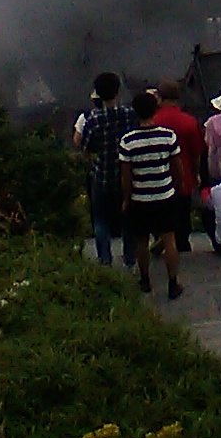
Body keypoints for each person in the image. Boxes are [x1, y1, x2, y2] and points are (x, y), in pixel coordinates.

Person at [118, 86, 185, 301]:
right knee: (169, 239)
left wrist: (127, 199)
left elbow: (126, 176)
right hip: (165, 195)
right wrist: (174, 186)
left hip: (140, 198)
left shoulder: (128, 141)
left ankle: (145, 280)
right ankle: (173, 284)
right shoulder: (168, 136)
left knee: (141, 241)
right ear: (155, 109)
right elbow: (178, 168)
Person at [71, 71, 132, 269]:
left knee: (100, 219)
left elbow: (85, 147)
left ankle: (105, 260)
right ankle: (130, 258)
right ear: (118, 91)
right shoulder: (129, 115)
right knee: (128, 218)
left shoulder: (93, 120)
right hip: (126, 176)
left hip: (101, 177)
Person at [151, 79, 206, 250]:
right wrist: (196, 174)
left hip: (157, 179)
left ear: (159, 98)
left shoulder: (153, 121)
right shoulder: (189, 122)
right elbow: (197, 153)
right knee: (182, 218)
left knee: (160, 218)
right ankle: (181, 246)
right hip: (184, 178)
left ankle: (162, 242)